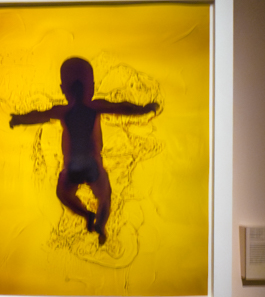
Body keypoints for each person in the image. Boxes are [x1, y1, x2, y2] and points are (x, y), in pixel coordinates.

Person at [9, 57, 160, 245]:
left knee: (64, 194)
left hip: (72, 167)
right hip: (92, 165)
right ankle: (100, 225)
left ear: (63, 89)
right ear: (92, 87)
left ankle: (87, 215)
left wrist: (19, 119)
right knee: (104, 198)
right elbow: (120, 107)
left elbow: (40, 115)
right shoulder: (95, 107)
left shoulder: (64, 111)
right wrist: (143, 109)